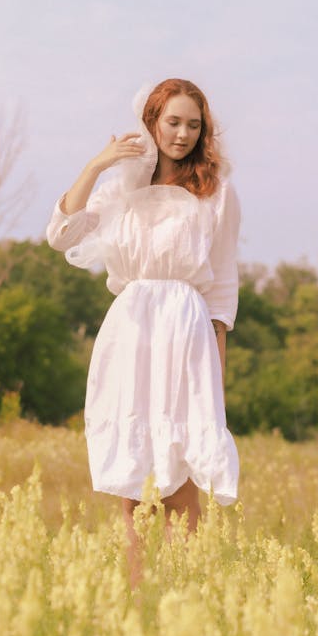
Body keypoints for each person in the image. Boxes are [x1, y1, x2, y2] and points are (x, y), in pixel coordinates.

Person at [46, 78, 241, 588]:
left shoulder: (216, 194)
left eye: (193, 125)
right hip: (132, 330)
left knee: (180, 474)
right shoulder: (120, 191)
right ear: (152, 122)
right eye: (172, 122)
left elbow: (222, 287)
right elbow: (60, 235)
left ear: (204, 131)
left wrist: (218, 366)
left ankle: (185, 593)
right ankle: (137, 598)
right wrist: (97, 165)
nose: (182, 134)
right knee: (135, 478)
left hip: (186, 329)